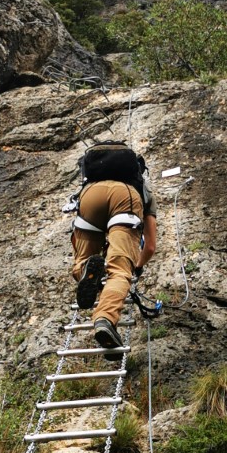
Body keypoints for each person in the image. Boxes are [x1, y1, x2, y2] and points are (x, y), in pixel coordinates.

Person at [68, 141, 158, 355]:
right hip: (125, 197)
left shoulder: (92, 179)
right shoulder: (143, 189)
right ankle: (105, 319)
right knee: (119, 269)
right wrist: (136, 266)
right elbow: (150, 246)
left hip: (89, 196)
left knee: (83, 260)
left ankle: (85, 269)